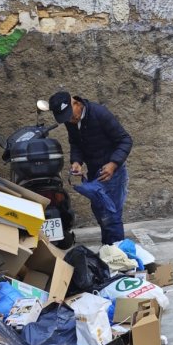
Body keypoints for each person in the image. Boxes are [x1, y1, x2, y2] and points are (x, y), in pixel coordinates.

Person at [48, 91, 133, 245]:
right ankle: (109, 250)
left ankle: (118, 253)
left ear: (76, 103)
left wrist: (113, 164)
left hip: (113, 173)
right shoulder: (71, 120)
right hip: (95, 172)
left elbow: (125, 140)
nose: (70, 120)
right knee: (101, 213)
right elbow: (75, 143)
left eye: (70, 115)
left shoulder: (100, 114)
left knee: (111, 216)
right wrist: (76, 162)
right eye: (66, 118)